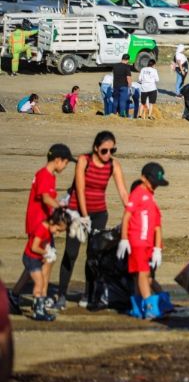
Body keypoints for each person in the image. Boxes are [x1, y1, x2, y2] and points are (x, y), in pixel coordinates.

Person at [61, 132, 129, 309]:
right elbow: (80, 189)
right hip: (77, 211)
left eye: (112, 150)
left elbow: (123, 193)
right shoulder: (84, 161)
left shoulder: (113, 165)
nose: (108, 154)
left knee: (93, 257)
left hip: (99, 213)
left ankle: (88, 293)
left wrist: (133, 212)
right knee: (71, 253)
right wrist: (84, 217)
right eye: (104, 150)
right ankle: (61, 295)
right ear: (95, 149)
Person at [7, 144, 75, 311]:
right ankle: (41, 298)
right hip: (40, 224)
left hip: (41, 223)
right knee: (47, 259)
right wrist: (64, 209)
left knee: (33, 263)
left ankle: (14, 295)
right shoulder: (45, 175)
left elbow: (49, 200)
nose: (65, 167)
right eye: (66, 163)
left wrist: (60, 204)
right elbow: (45, 198)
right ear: (58, 160)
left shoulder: (48, 175)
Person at [117, 163, 167, 319]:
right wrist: (124, 238)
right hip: (137, 241)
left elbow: (156, 225)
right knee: (143, 275)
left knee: (142, 275)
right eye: (152, 182)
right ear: (143, 178)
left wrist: (157, 248)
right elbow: (127, 216)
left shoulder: (150, 197)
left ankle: (138, 307)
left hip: (148, 244)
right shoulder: (138, 193)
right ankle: (150, 306)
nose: (155, 186)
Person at [23, 208, 70, 321]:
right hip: (30, 258)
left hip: (35, 258)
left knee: (41, 282)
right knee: (39, 283)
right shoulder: (42, 229)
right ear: (52, 222)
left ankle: (38, 307)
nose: (57, 233)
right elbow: (34, 247)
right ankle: (38, 311)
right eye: (58, 230)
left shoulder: (48, 229)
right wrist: (46, 252)